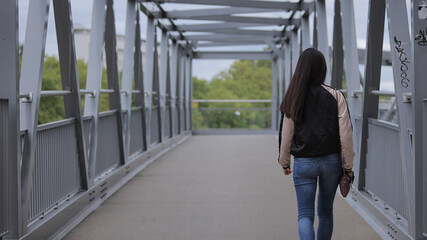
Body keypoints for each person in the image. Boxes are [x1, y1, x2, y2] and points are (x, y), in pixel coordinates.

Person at [278, 48, 355, 240]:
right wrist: (348, 167)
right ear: (322, 69)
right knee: (326, 213)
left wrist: (284, 162)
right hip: (331, 162)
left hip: (304, 163)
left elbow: (286, 134)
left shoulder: (293, 97)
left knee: (305, 215)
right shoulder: (336, 95)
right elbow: (345, 135)